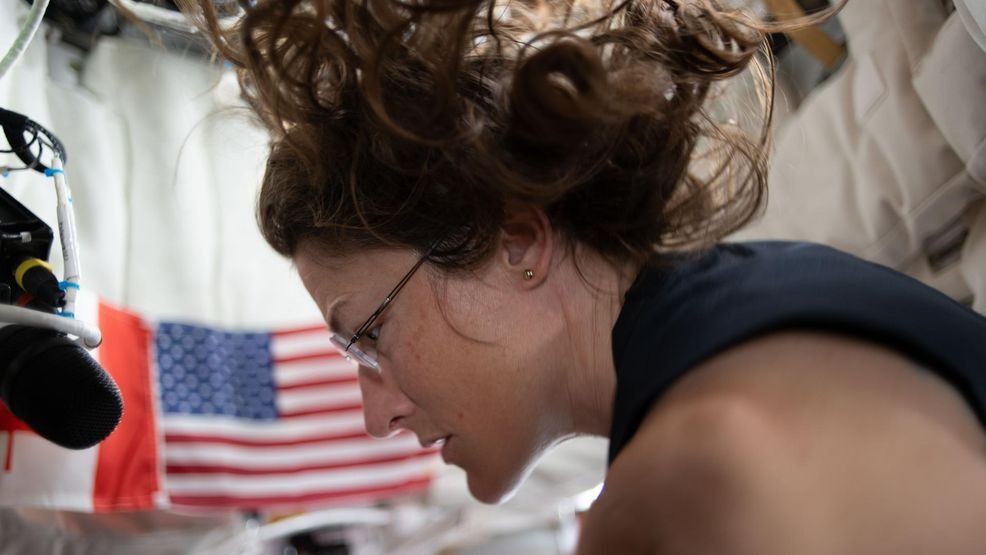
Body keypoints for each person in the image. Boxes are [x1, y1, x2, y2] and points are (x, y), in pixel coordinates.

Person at [184, 0, 986, 551]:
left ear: (517, 243)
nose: (373, 414)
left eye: (369, 336)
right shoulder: (785, 286)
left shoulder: (691, 480)